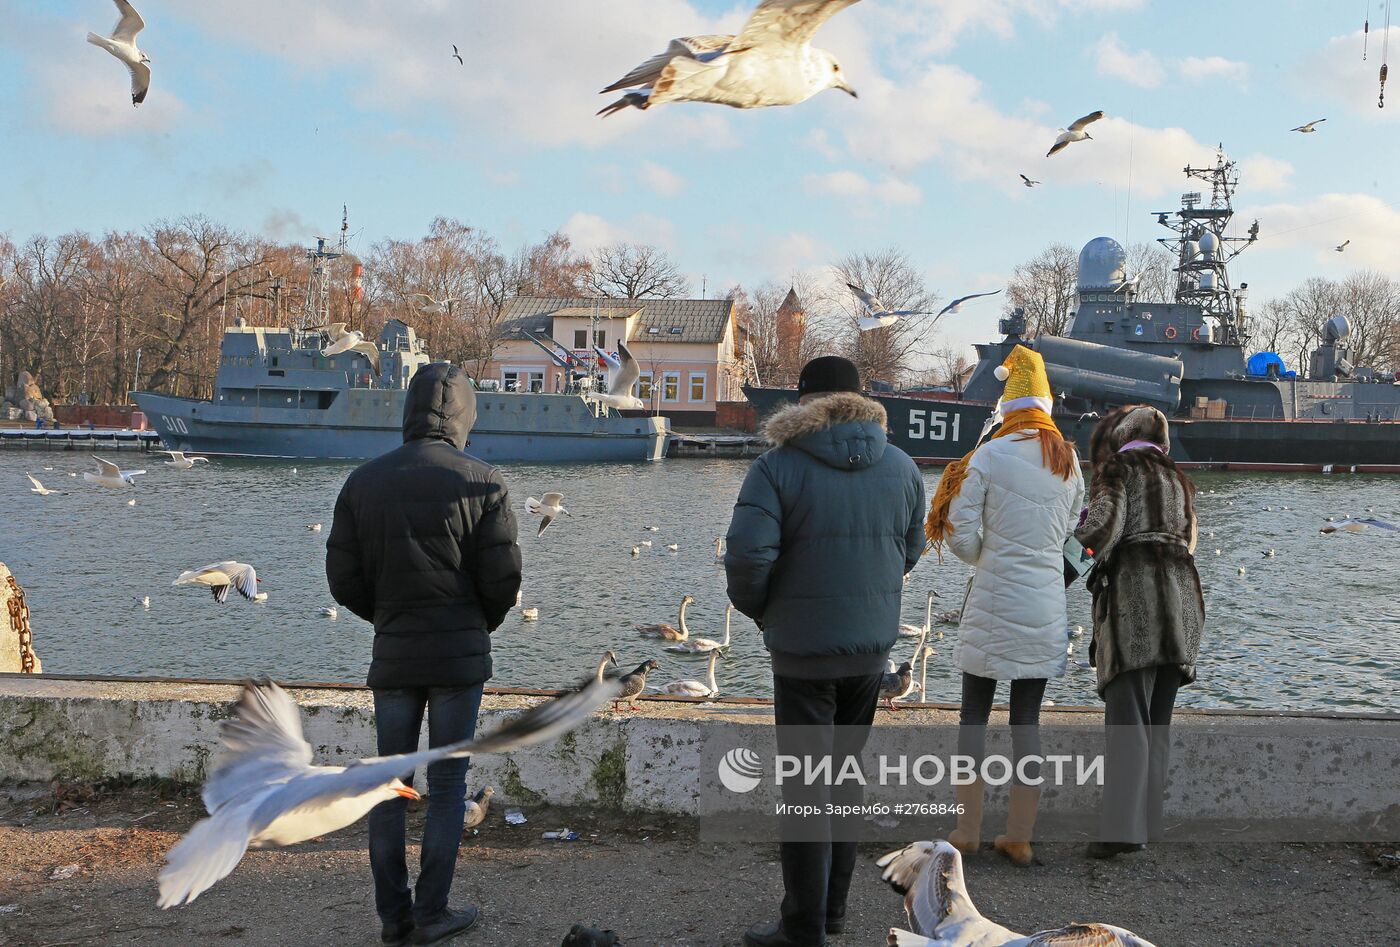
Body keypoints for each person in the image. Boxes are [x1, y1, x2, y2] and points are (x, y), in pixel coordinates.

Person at [725, 355, 925, 947]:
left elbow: (746, 560)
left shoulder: (776, 468)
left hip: (802, 654)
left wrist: (766, 612)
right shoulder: (903, 467)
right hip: (870, 655)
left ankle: (803, 927)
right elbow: (909, 552)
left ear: (803, 403)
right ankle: (832, 915)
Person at [327, 363, 522, 946]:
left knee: (390, 784)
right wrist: (475, 623)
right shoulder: (482, 481)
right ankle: (432, 913)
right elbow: (504, 580)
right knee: (447, 788)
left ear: (407, 410)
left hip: (394, 653)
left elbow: (344, 579)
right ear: (465, 414)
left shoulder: (363, 482)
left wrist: (388, 618)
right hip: (459, 659)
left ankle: (394, 918)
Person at [925, 344, 1083, 867]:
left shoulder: (989, 456)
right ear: (1046, 406)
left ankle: (967, 829)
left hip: (993, 600)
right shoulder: (1068, 459)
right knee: (1027, 721)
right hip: (1043, 604)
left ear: (1007, 408)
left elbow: (962, 534)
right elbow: (1067, 533)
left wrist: (987, 557)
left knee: (973, 716)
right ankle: (1020, 835)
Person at [1074, 404, 1204, 859]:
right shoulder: (1180, 481)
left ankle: (1119, 833)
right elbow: (1189, 542)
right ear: (1163, 444)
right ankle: (1147, 822)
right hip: (1183, 608)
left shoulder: (1119, 469)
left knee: (1127, 722)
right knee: (1156, 724)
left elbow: (1102, 529)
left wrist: (1061, 568)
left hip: (1136, 607)